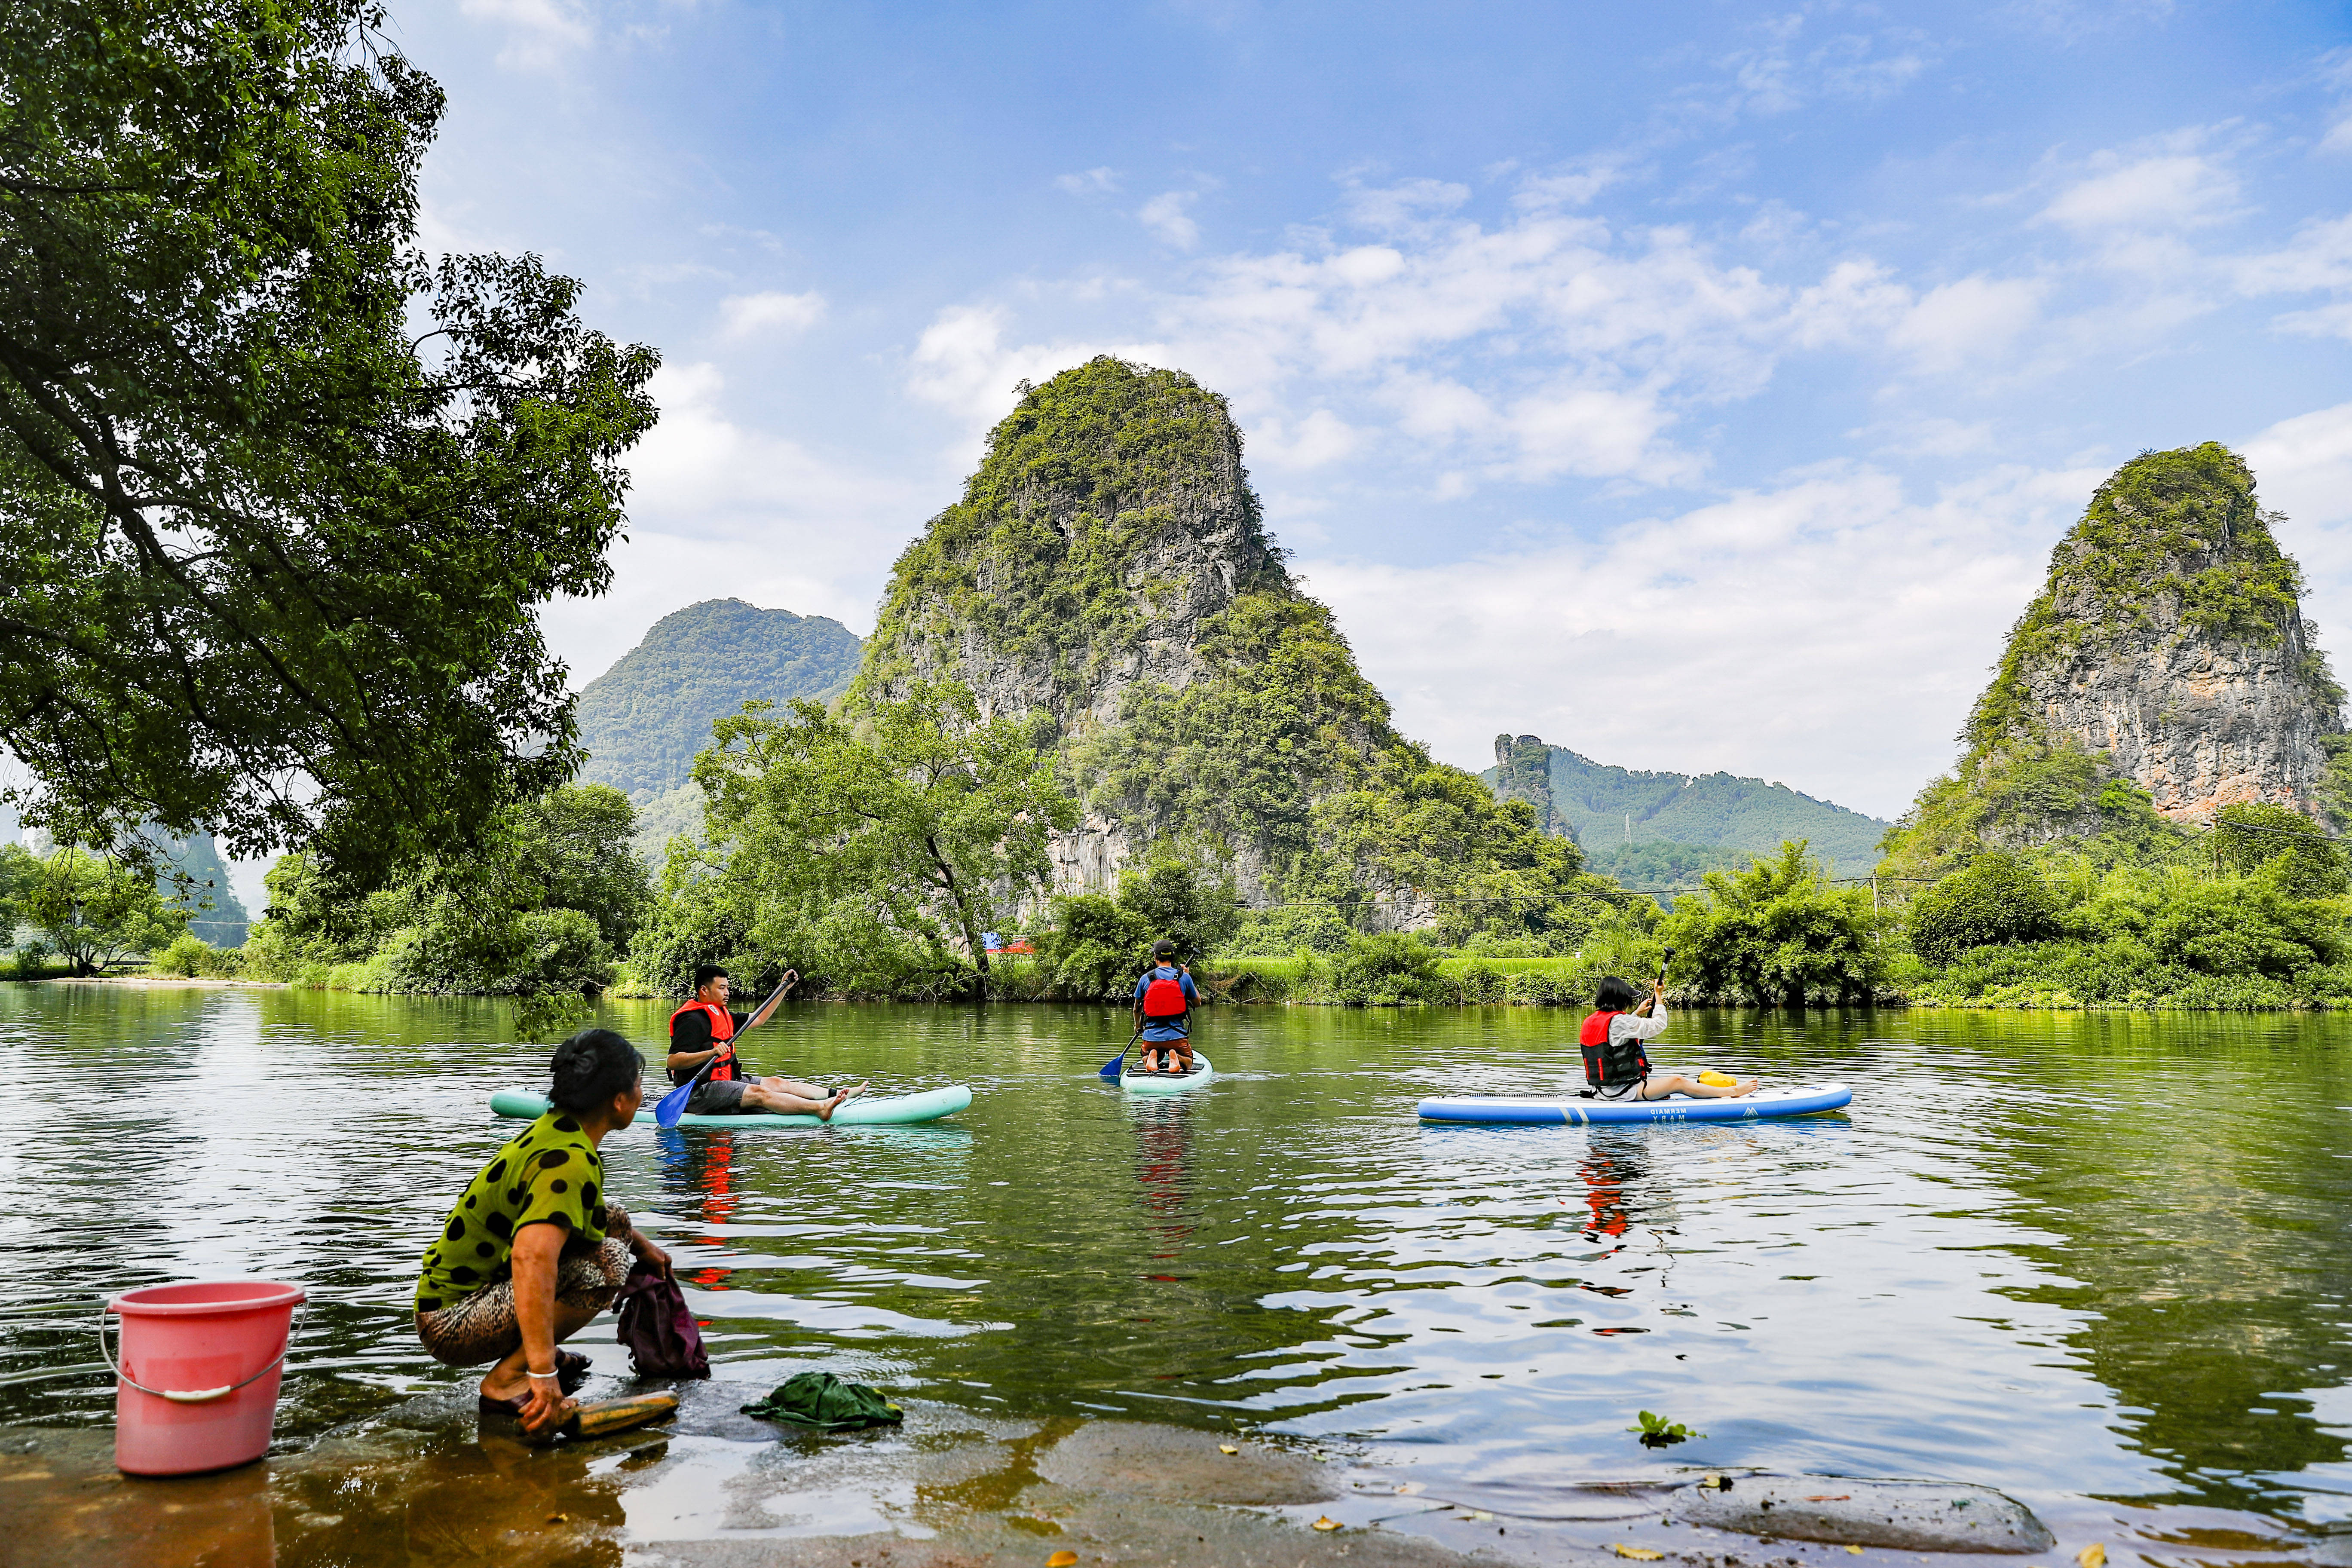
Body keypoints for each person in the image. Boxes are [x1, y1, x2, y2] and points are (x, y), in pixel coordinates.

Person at [414, 1028, 673, 1437]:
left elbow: (598, 1215)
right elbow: (531, 1258)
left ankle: (534, 1355)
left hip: (461, 1302)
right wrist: (543, 1372)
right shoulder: (569, 1160)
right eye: (639, 1084)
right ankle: (508, 1380)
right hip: (453, 1322)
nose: (644, 1093)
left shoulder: (558, 1129)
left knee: (616, 1221)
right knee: (608, 1264)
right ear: (620, 1101)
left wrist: (647, 1250)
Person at [668, 964, 864, 1120]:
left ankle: (835, 1094)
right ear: (704, 990)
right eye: (722, 988)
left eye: (727, 987)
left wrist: (783, 989)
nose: (727, 992)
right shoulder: (691, 1020)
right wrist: (710, 1053)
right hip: (698, 1092)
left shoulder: (722, 1013)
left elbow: (759, 1018)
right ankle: (820, 1109)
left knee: (777, 1083)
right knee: (760, 1093)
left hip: (726, 1082)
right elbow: (673, 1061)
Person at [1578, 974, 1757, 1102]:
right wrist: (1659, 996)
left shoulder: (1591, 1021)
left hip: (1601, 1091)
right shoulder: (1620, 1022)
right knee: (1677, 1082)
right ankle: (1732, 1092)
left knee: (1673, 1083)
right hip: (1624, 1092)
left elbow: (1615, 1036)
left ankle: (1724, 1091)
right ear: (1619, 999)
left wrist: (1637, 1013)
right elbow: (1658, 1025)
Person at [1132, 939, 1200, 1074]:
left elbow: (1136, 1009)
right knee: (1189, 1061)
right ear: (1172, 956)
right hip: (1177, 1038)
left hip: (1151, 1037)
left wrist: (1138, 1026)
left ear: (1156, 957)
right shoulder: (1184, 977)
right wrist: (1188, 977)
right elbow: (1197, 1002)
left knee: (1146, 1054)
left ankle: (1150, 1058)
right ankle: (1178, 1058)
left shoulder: (1146, 978)